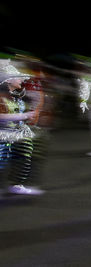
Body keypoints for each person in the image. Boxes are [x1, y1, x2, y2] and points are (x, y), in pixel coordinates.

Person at [0, 59, 44, 195]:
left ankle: (17, 184)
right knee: (2, 160)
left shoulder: (17, 95)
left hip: (19, 132)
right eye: (18, 77)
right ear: (8, 80)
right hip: (3, 134)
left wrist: (28, 116)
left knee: (24, 157)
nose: (21, 79)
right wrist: (23, 116)